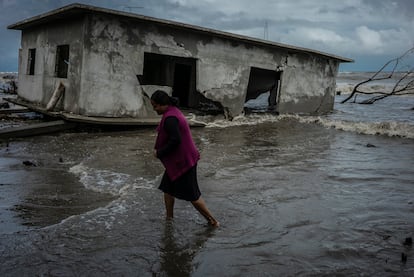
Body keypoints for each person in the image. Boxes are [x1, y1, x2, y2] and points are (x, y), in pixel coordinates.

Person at [151, 90, 219, 227]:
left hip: (183, 162)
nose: (154, 109)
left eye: (156, 106)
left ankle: (213, 221)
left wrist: (160, 153)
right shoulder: (172, 111)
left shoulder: (170, 118)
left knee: (193, 196)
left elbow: (175, 140)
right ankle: (169, 218)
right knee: (167, 188)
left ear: (163, 104)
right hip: (181, 160)